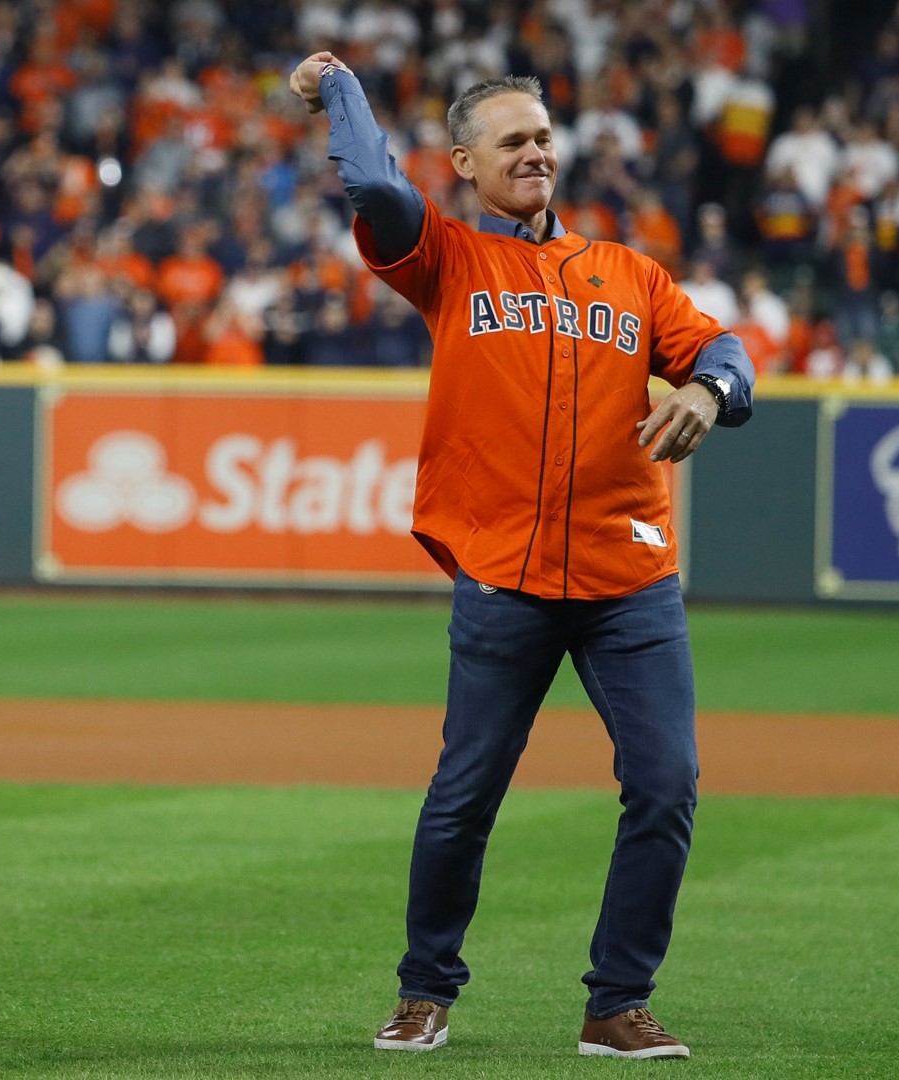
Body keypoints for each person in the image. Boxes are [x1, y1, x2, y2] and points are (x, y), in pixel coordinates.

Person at [289, 53, 754, 1060]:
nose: (537, 151)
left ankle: (617, 1002)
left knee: (667, 784)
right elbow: (371, 182)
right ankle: (425, 989)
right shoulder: (445, 259)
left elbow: (725, 351)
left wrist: (708, 393)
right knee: (465, 797)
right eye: (513, 140)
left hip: (629, 576)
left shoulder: (629, 274)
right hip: (505, 572)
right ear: (464, 163)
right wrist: (338, 88)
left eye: (544, 136)